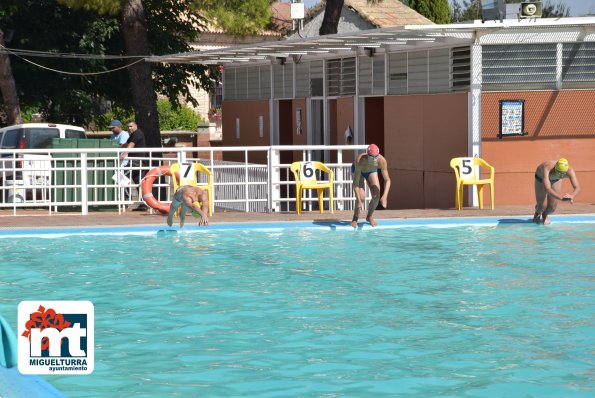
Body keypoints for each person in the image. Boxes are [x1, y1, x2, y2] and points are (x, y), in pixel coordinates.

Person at [351, 144, 391, 228]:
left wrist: (385, 196)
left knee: (376, 195)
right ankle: (355, 217)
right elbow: (356, 183)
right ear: (367, 155)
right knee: (361, 196)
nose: (374, 159)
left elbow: (387, 180)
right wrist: (358, 200)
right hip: (359, 171)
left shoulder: (382, 161)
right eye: (372, 157)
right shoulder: (360, 160)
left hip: (371, 171)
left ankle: (369, 216)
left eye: (376, 157)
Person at [533, 158, 580, 225]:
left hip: (555, 180)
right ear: (555, 168)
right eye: (559, 172)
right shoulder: (547, 167)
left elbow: (577, 187)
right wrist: (561, 198)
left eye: (563, 173)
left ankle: (545, 214)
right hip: (541, 178)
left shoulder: (570, 170)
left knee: (552, 208)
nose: (561, 175)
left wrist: (572, 196)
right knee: (542, 207)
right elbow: (548, 189)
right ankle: (538, 212)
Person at [120, 120, 148, 207]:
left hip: (137, 162)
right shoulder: (133, 134)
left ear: (136, 126)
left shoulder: (137, 133)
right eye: (128, 127)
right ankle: (144, 204)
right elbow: (126, 144)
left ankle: (126, 201)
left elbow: (130, 145)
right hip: (136, 162)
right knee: (139, 182)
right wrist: (116, 148)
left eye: (131, 126)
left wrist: (123, 155)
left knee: (122, 176)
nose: (129, 128)